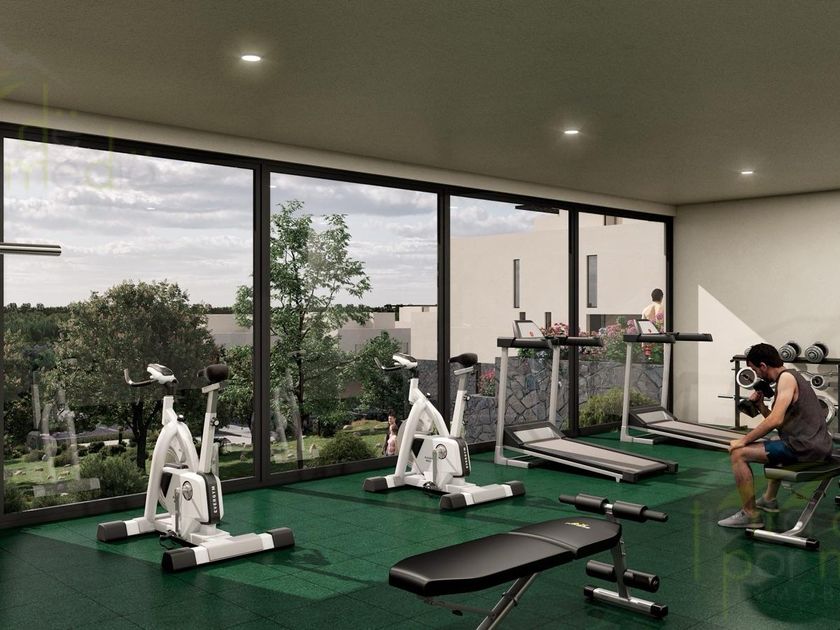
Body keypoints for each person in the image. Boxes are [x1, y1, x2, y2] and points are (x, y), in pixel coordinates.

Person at [717, 343, 834, 528]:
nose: (756, 374)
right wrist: (761, 407)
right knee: (774, 440)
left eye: (754, 369)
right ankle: (769, 499)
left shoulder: (786, 379)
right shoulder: (790, 376)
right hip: (818, 446)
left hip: (806, 449)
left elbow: (775, 420)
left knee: (738, 454)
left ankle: (750, 515)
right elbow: (781, 422)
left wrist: (743, 440)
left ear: (763, 366)